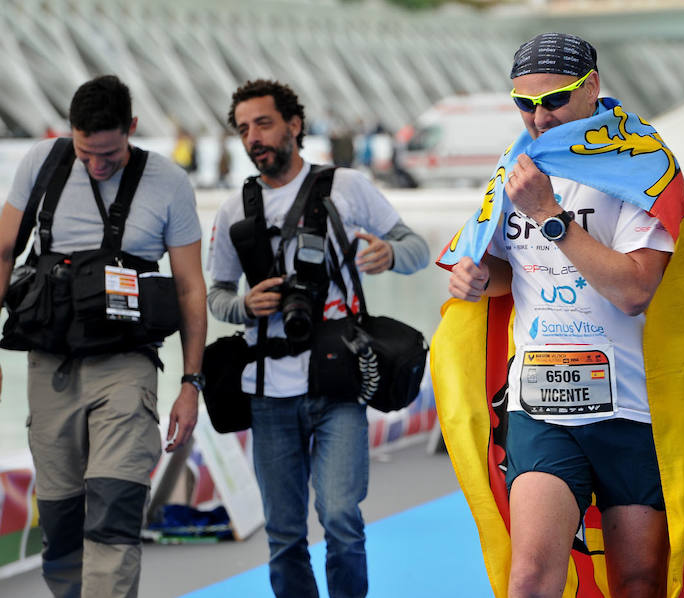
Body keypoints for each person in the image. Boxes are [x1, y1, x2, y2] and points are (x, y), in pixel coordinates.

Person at [446, 33, 684, 598]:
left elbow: (634, 290)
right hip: (541, 406)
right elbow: (508, 268)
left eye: (553, 100)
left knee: (638, 582)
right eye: (523, 103)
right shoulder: (518, 166)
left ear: (593, 90)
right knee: (531, 578)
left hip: (631, 408)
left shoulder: (643, 166)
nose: (538, 117)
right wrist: (479, 279)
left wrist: (551, 216)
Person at [207, 79, 429, 598]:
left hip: (338, 384)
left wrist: (390, 255)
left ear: (294, 125)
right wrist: (244, 305)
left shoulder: (347, 187)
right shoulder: (233, 211)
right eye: (243, 129)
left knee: (341, 520)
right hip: (267, 395)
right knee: (284, 537)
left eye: (263, 123)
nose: (253, 137)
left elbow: (416, 248)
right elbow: (216, 294)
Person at [0, 75, 207, 598]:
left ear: (132, 129)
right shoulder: (42, 164)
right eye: (85, 151)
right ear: (70, 133)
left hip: (127, 366)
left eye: (109, 152)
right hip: (51, 368)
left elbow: (189, 287)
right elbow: (3, 251)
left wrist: (190, 382)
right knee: (62, 529)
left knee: (114, 516)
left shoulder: (168, 182)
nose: (96, 164)